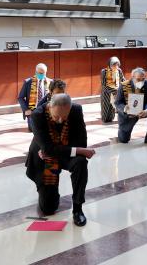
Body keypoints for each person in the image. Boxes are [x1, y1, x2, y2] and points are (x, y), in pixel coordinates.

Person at [25, 94, 95, 226]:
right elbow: (47, 149)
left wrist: (57, 149)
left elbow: (81, 140)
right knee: (48, 207)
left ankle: (78, 209)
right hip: (44, 159)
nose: (60, 120)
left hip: (63, 153)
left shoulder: (76, 110)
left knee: (80, 163)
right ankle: (48, 193)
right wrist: (78, 150)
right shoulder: (37, 115)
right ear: (50, 107)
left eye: (65, 117)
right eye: (56, 116)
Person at [115, 68, 147, 145]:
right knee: (124, 140)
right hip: (128, 114)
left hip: (142, 111)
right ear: (132, 77)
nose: (141, 81)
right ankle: (122, 131)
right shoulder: (124, 85)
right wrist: (124, 108)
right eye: (138, 79)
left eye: (143, 79)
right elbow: (117, 103)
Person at [18, 63, 52, 131]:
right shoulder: (28, 82)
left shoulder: (50, 82)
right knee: (33, 130)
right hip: (32, 111)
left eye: (43, 73)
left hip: (45, 110)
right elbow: (20, 98)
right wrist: (26, 109)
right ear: (36, 72)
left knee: (47, 130)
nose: (42, 75)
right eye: (40, 73)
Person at [100, 57, 125, 122]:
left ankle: (116, 118)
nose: (116, 66)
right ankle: (106, 119)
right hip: (107, 92)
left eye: (117, 65)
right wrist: (114, 91)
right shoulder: (104, 71)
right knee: (106, 109)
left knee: (115, 107)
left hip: (117, 92)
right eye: (114, 65)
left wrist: (128, 84)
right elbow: (104, 84)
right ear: (110, 65)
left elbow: (122, 80)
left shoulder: (119, 70)